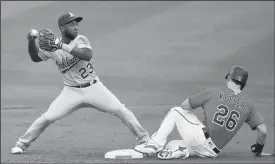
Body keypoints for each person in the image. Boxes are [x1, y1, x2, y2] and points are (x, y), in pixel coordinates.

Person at [11, 12, 150, 154]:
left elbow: (87, 55)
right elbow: (35, 58)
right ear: (62, 28)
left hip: (94, 88)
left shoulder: (80, 39)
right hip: (71, 92)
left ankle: (146, 140)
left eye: (76, 24)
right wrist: (31, 42)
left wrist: (60, 45)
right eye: (71, 24)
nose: (76, 27)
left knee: (121, 110)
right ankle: (22, 144)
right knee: (48, 117)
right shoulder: (52, 47)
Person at [135, 65, 272, 159]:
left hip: (201, 139)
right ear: (243, 85)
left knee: (176, 111)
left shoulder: (215, 92)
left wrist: (206, 105)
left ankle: (154, 144)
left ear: (229, 78)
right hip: (212, 152)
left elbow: (185, 106)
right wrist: (258, 150)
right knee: (172, 144)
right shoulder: (249, 105)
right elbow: (263, 131)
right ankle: (181, 152)